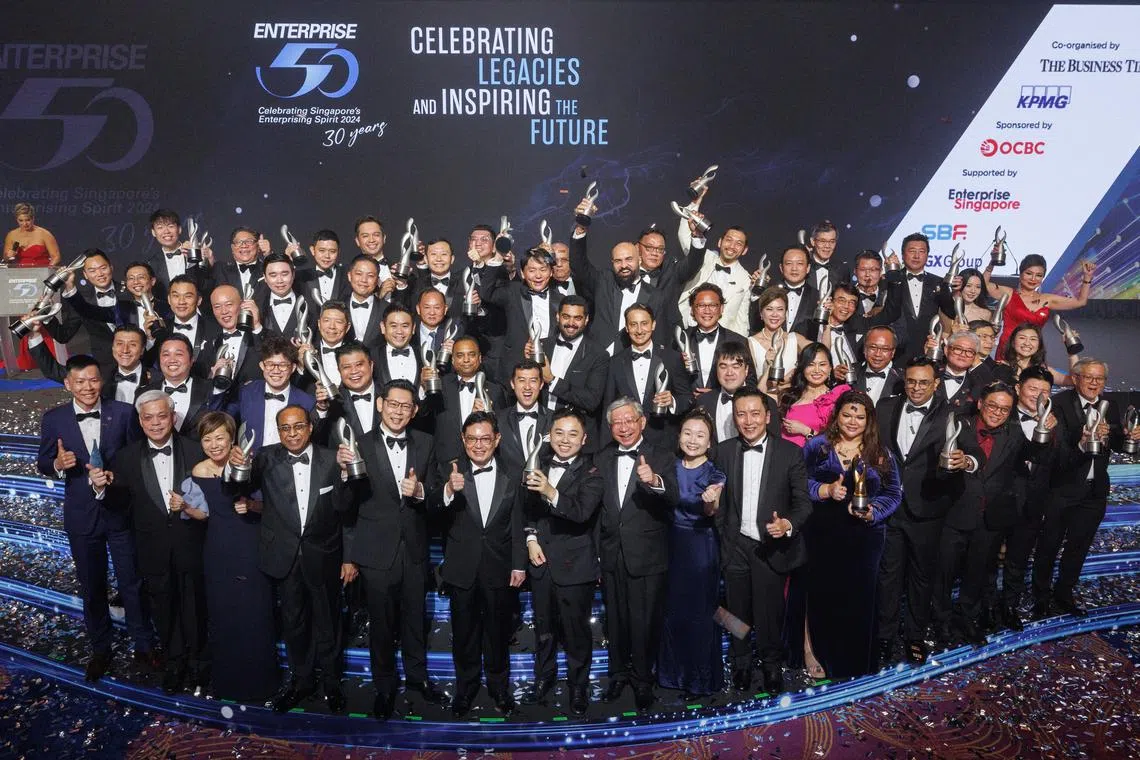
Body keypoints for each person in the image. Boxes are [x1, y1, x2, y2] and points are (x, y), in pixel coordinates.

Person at [37, 355, 153, 682]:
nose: (88, 387)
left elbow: (137, 459)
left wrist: (117, 478)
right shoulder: (54, 419)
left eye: (94, 380)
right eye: (81, 381)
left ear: (101, 381)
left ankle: (143, 644)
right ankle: (101, 649)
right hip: (81, 517)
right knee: (93, 587)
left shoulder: (123, 413)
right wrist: (58, 464)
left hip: (119, 511)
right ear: (68, 384)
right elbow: (42, 462)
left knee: (132, 582)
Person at [232, 405, 355, 713]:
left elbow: (346, 509)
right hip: (283, 556)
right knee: (294, 623)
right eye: (285, 429)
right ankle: (301, 681)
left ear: (310, 427)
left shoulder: (330, 458)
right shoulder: (265, 458)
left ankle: (331, 682)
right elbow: (236, 487)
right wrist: (233, 467)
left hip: (324, 554)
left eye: (298, 427)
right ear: (278, 431)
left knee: (328, 623)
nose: (292, 434)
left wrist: (344, 474)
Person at [564, 398, 677, 711]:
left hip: (647, 555)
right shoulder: (600, 457)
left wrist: (654, 481)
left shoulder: (662, 455)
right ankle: (617, 675)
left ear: (641, 422)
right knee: (615, 620)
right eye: (617, 422)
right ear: (610, 427)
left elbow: (674, 497)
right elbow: (596, 511)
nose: (624, 427)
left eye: (630, 421)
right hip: (611, 554)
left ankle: (643, 680)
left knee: (644, 622)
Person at [343, 379, 445, 719]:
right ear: (379, 404)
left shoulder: (427, 443)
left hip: (415, 550)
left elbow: (436, 497)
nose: (399, 411)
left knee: (416, 620)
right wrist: (344, 476)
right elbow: (345, 507)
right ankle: (384, 688)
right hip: (375, 552)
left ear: (414, 411)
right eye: (393, 404)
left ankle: (418, 681)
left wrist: (420, 494)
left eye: (406, 406)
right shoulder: (358, 445)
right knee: (382, 626)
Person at [105, 390, 206, 694]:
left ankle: (200, 665)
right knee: (163, 611)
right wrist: (102, 490)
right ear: (140, 420)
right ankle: (175, 664)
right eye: (148, 417)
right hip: (152, 551)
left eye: (162, 416)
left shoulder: (196, 450)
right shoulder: (124, 458)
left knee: (196, 609)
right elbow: (118, 504)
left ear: (173, 417)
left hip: (192, 547)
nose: (156, 423)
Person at [712, 386, 811, 696]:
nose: (748, 420)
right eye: (741, 414)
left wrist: (788, 524)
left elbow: (803, 503)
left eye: (755, 413)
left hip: (770, 546)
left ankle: (771, 665)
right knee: (736, 611)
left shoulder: (790, 453)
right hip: (735, 546)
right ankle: (740, 664)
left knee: (770, 613)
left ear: (768, 416)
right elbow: (717, 502)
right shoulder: (723, 451)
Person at [430, 411, 526, 718]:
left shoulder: (514, 473)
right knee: (465, 634)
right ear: (463, 440)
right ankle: (465, 689)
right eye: (472, 439)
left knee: (498, 634)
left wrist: (519, 565)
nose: (479, 445)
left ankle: (499, 689)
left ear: (497, 440)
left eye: (485, 439)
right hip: (462, 569)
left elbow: (518, 523)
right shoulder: (451, 472)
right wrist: (447, 491)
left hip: (499, 568)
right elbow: (430, 511)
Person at [801, 390, 902, 678]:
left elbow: (894, 493)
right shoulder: (817, 446)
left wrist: (873, 511)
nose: (853, 421)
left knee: (859, 599)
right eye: (847, 414)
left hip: (864, 538)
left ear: (869, 419)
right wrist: (825, 490)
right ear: (837, 416)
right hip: (822, 535)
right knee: (823, 596)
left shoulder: (880, 452)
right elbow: (796, 483)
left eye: (860, 416)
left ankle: (855, 661)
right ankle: (819, 654)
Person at [932, 381, 1040, 647]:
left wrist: (1043, 434)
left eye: (1005, 409)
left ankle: (967, 618)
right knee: (943, 574)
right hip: (955, 516)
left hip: (990, 520)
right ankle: (941, 623)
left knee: (977, 574)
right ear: (980, 403)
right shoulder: (958, 425)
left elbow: (1035, 454)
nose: (997, 413)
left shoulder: (1014, 433)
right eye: (992, 405)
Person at [187, 412, 278, 702]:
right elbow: (202, 514)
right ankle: (228, 683)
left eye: (220, 438)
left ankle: (261, 683)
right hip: (218, 550)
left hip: (251, 545)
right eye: (207, 439)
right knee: (224, 616)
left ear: (233, 440)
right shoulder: (198, 472)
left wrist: (252, 505)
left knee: (255, 614)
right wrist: (186, 508)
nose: (214, 445)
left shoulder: (251, 466)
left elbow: (275, 507)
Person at [1033, 358, 1134, 618]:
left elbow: (1119, 443)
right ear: (1076, 378)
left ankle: (1064, 594)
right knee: (1049, 546)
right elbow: (1055, 450)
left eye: (1099, 379)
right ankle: (1041, 598)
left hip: (1094, 491)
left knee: (1078, 546)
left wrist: (1131, 436)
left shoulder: (1109, 406)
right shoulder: (1059, 404)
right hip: (1061, 489)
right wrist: (1083, 440)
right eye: (1089, 377)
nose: (1094, 383)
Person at [520, 408, 603, 715]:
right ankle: (544, 678)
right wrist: (530, 538)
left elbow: (581, 513)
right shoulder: (536, 464)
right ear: (549, 436)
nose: (564, 440)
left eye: (572, 434)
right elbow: (526, 510)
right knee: (544, 629)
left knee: (576, 633)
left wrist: (550, 491)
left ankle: (578, 687)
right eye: (558, 433)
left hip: (575, 566)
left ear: (584, 440)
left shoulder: (592, 473)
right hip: (541, 564)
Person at [874, 357, 955, 666]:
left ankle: (915, 636)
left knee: (922, 579)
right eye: (911, 381)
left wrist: (966, 462)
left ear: (936, 384)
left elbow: (970, 453)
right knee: (888, 576)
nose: (916, 388)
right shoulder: (885, 408)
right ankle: (884, 636)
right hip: (890, 508)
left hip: (928, 509)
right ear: (903, 381)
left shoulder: (950, 414)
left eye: (924, 382)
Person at [657, 410, 726, 696]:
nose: (692, 440)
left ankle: (700, 679)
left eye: (700, 435)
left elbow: (712, 509)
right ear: (679, 436)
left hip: (700, 547)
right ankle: (672, 676)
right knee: (673, 612)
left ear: (710, 443)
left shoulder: (715, 472)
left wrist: (710, 502)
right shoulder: (669, 466)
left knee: (700, 613)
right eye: (687, 433)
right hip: (671, 545)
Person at [602, 303, 691, 447]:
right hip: (625, 441)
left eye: (644, 324)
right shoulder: (615, 362)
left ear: (653, 325)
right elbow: (608, 407)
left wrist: (672, 401)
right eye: (633, 324)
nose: (639, 330)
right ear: (627, 327)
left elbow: (687, 398)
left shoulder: (672, 358)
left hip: (663, 442)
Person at [983, 253, 1094, 356]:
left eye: (1039, 275)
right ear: (1020, 274)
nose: (1033, 279)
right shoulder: (1009, 293)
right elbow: (983, 284)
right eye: (1029, 273)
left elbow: (1080, 302)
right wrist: (992, 263)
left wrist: (1087, 277)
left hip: (1032, 351)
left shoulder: (1047, 299)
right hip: (1007, 351)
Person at [223, 336, 315, 453]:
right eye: (270, 364)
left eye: (282, 365)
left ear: (293, 368)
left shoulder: (307, 401)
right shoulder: (246, 392)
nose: (276, 371)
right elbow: (221, 421)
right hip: (252, 464)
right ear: (262, 366)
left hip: (288, 466)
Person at [675, 213, 754, 337]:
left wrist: (739, 347)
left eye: (738, 244)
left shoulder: (746, 279)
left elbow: (742, 319)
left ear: (744, 250)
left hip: (721, 340)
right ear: (719, 242)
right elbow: (684, 235)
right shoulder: (703, 257)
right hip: (687, 328)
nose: (732, 246)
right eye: (728, 240)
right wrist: (694, 206)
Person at [881, 233, 955, 357]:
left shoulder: (939, 282)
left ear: (927, 255)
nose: (916, 256)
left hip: (928, 349)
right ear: (903, 255)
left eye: (921, 251)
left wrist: (951, 290)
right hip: (896, 350)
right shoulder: (890, 280)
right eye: (912, 251)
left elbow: (951, 312)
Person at [695, 340, 781, 442]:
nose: (729, 372)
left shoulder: (767, 402)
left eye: (735, 366)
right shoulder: (703, 401)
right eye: (723, 366)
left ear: (746, 370)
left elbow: (775, 444)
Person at [778, 342, 850, 446]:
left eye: (822, 364)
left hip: (816, 459)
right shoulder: (789, 395)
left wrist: (807, 431)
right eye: (810, 365)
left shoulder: (838, 397)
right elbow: (761, 392)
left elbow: (841, 441)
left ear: (830, 368)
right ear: (802, 368)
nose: (816, 370)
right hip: (787, 459)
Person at [685, 284, 748, 395]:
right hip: (687, 408)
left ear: (721, 308)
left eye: (713, 305)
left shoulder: (738, 341)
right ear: (692, 310)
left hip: (722, 406)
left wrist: (719, 394)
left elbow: (750, 381)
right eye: (701, 305)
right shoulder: (680, 339)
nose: (707, 311)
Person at [496, 359, 550, 471]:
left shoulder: (554, 419)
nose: (527, 387)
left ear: (541, 384)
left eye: (533, 381)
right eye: (521, 380)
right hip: (508, 487)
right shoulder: (497, 419)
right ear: (512, 384)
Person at [748, 287, 808, 389]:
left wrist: (796, 372)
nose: (775, 314)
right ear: (761, 314)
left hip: (790, 399)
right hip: (764, 399)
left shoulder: (795, 338)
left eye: (780, 309)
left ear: (786, 313)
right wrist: (767, 366)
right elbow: (751, 384)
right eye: (769, 309)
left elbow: (821, 354)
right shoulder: (751, 342)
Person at [993, 322, 1076, 387]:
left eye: (1033, 339)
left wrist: (1072, 351)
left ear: (1039, 345)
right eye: (1022, 338)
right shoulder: (1000, 368)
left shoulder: (1043, 370)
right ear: (1013, 342)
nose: (1027, 343)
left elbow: (1073, 381)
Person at [771, 245, 821, 333]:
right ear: (781, 268)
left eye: (800, 263)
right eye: (789, 263)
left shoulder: (817, 296)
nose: (794, 268)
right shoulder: (770, 292)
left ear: (808, 268)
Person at [853, 325, 903, 404]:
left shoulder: (903, 379)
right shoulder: (849, 372)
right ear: (865, 349)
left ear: (893, 352)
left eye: (885, 349)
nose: (878, 354)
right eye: (873, 347)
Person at [4, 202, 60, 266]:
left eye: (27, 220)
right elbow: (6, 259)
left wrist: (47, 271)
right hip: (19, 273)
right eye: (21, 220)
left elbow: (56, 257)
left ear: (33, 218)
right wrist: (8, 256)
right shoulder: (11, 235)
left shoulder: (44, 234)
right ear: (16, 219)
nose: (25, 224)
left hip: (41, 273)